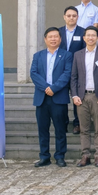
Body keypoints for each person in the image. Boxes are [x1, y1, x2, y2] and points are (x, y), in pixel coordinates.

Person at [30, 28, 73, 168]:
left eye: (56, 37)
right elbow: (34, 73)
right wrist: (46, 88)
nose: (53, 39)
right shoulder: (38, 55)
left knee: (60, 129)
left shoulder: (67, 55)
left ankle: (60, 156)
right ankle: (44, 156)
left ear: (60, 39)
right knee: (43, 129)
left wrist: (54, 88)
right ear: (45, 39)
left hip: (58, 97)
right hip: (42, 98)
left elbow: (67, 74)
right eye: (50, 37)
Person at [70, 26, 98, 167]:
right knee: (84, 128)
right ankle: (85, 155)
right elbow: (73, 77)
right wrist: (74, 95)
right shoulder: (78, 55)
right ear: (84, 38)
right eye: (88, 35)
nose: (90, 38)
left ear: (97, 38)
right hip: (82, 96)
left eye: (93, 35)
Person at [59, 6, 85, 134]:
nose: (71, 18)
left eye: (74, 16)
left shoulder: (83, 32)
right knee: (62, 98)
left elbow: (85, 51)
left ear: (77, 17)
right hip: (61, 70)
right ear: (64, 17)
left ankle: (77, 123)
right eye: (68, 16)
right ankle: (63, 123)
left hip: (78, 70)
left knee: (77, 98)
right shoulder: (58, 32)